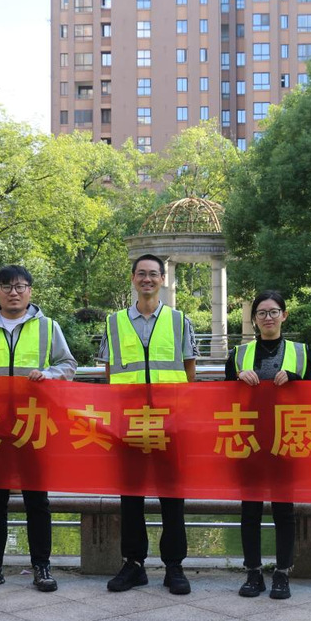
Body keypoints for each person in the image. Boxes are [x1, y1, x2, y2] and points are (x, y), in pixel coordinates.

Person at [0, 265, 77, 593]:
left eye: (20, 286)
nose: (14, 292)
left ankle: (41, 566)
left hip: (34, 423)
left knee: (37, 499)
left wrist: (47, 375)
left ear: (30, 291)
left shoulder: (48, 327)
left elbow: (68, 365)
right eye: (7, 286)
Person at [100, 253, 199, 595]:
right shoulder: (114, 322)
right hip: (128, 423)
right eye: (141, 273)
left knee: (172, 496)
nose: (147, 279)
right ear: (133, 278)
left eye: (153, 274)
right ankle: (134, 564)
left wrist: (182, 414)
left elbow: (189, 369)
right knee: (130, 497)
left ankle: (174, 566)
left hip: (170, 424)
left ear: (162, 279)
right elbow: (109, 371)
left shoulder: (179, 320)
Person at [227, 290, 311, 600]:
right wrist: (237, 377)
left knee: (284, 511)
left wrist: (295, 380)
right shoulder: (238, 354)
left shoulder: (301, 353)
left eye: (274, 312)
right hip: (248, 440)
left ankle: (282, 573)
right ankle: (253, 572)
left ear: (284, 315)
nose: (268, 317)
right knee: (250, 510)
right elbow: (222, 399)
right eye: (262, 313)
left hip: (287, 439)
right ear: (254, 319)